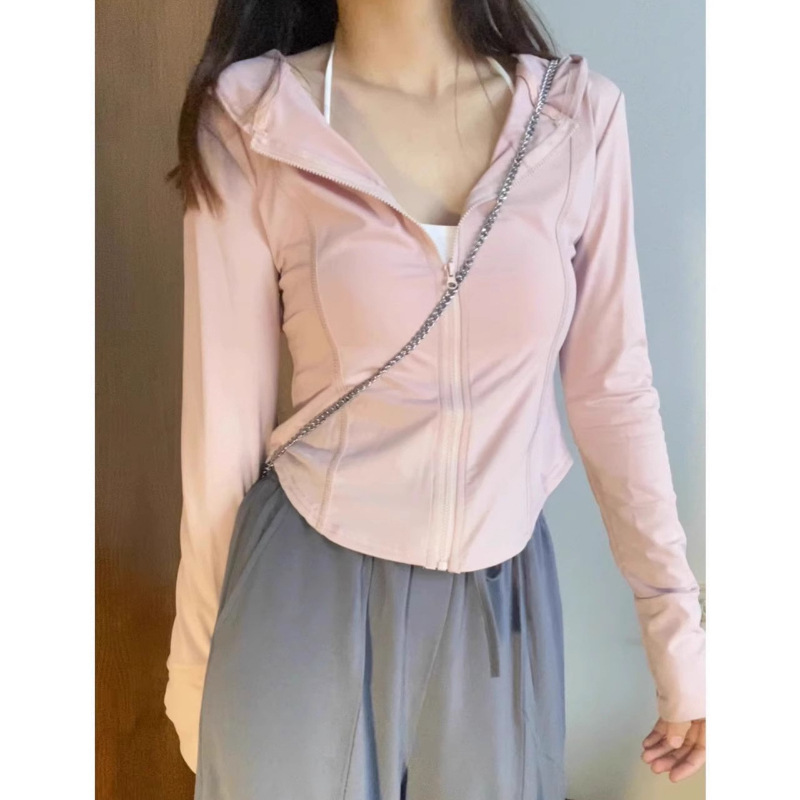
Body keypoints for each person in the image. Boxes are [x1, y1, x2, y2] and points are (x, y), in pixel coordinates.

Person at [164, 1, 706, 797]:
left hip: (496, 606)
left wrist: (676, 633)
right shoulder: (254, 118)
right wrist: (197, 670)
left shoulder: (576, 118)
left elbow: (613, 392)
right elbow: (222, 433)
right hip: (302, 592)